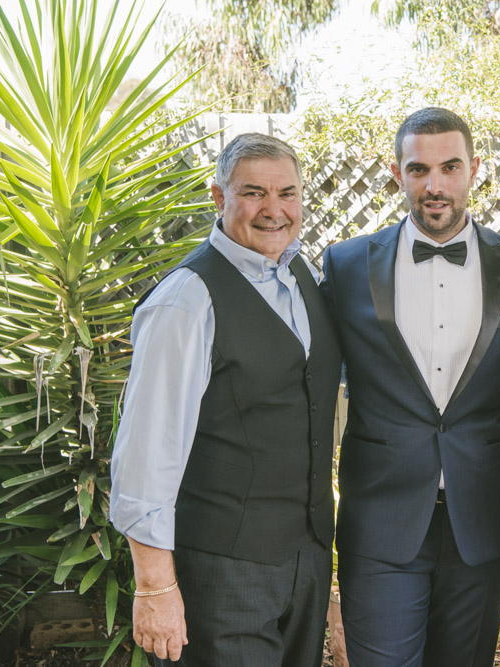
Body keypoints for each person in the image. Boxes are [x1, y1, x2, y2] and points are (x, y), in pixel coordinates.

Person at [321, 107, 500, 666]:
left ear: (474, 169)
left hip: (482, 516)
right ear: (397, 173)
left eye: (450, 167)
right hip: (381, 519)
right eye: (419, 169)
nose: (435, 185)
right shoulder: (346, 265)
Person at [109, 133, 342, 667]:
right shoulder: (186, 300)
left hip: (304, 561)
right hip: (222, 569)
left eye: (287, 193)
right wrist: (155, 589)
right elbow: (145, 455)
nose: (273, 210)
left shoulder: (303, 275)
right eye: (253, 193)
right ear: (218, 197)